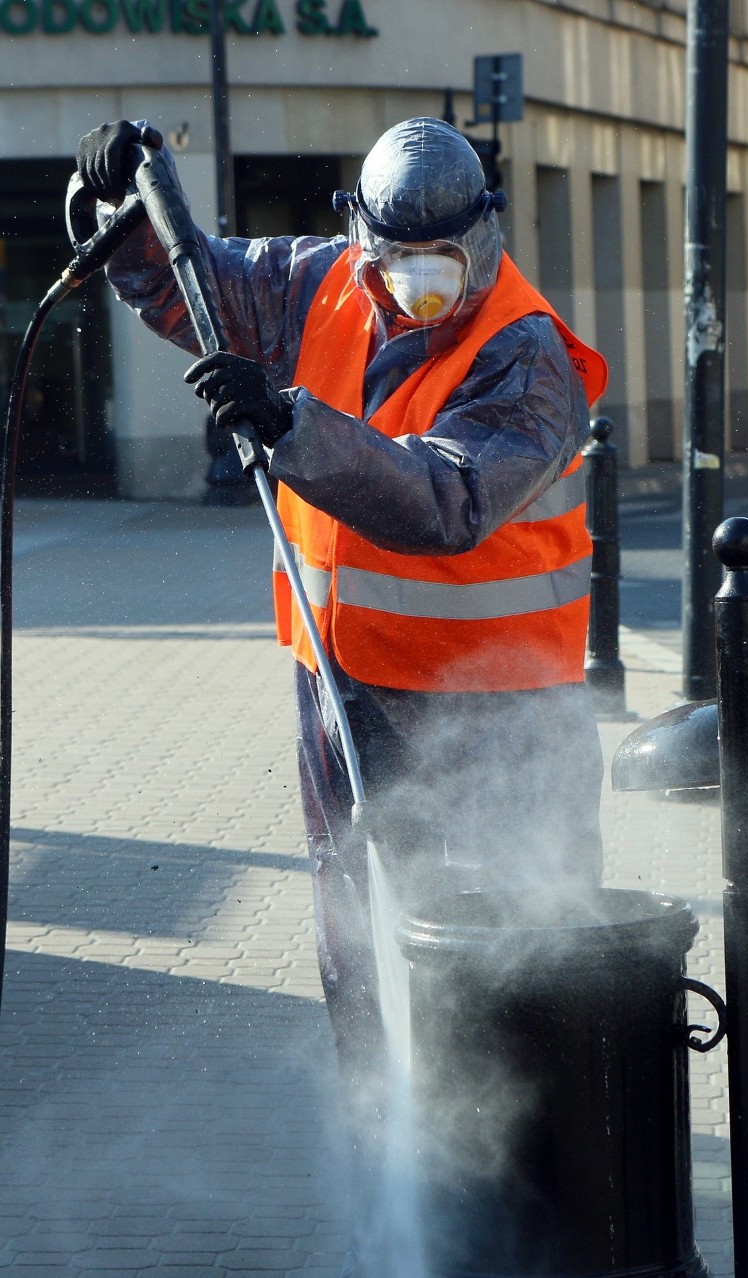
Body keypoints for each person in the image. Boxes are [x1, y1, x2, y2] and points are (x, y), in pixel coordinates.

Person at [76, 115, 609, 1277]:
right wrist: (120, 212)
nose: (417, 290)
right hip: (343, 695)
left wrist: (291, 424)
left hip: (498, 726)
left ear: (483, 239)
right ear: (360, 238)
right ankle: (392, 1201)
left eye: (443, 267)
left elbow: (447, 500)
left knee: (502, 979)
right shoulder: (322, 285)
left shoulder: (527, 357)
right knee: (357, 953)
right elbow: (201, 288)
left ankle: (538, 1227)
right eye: (395, 262)